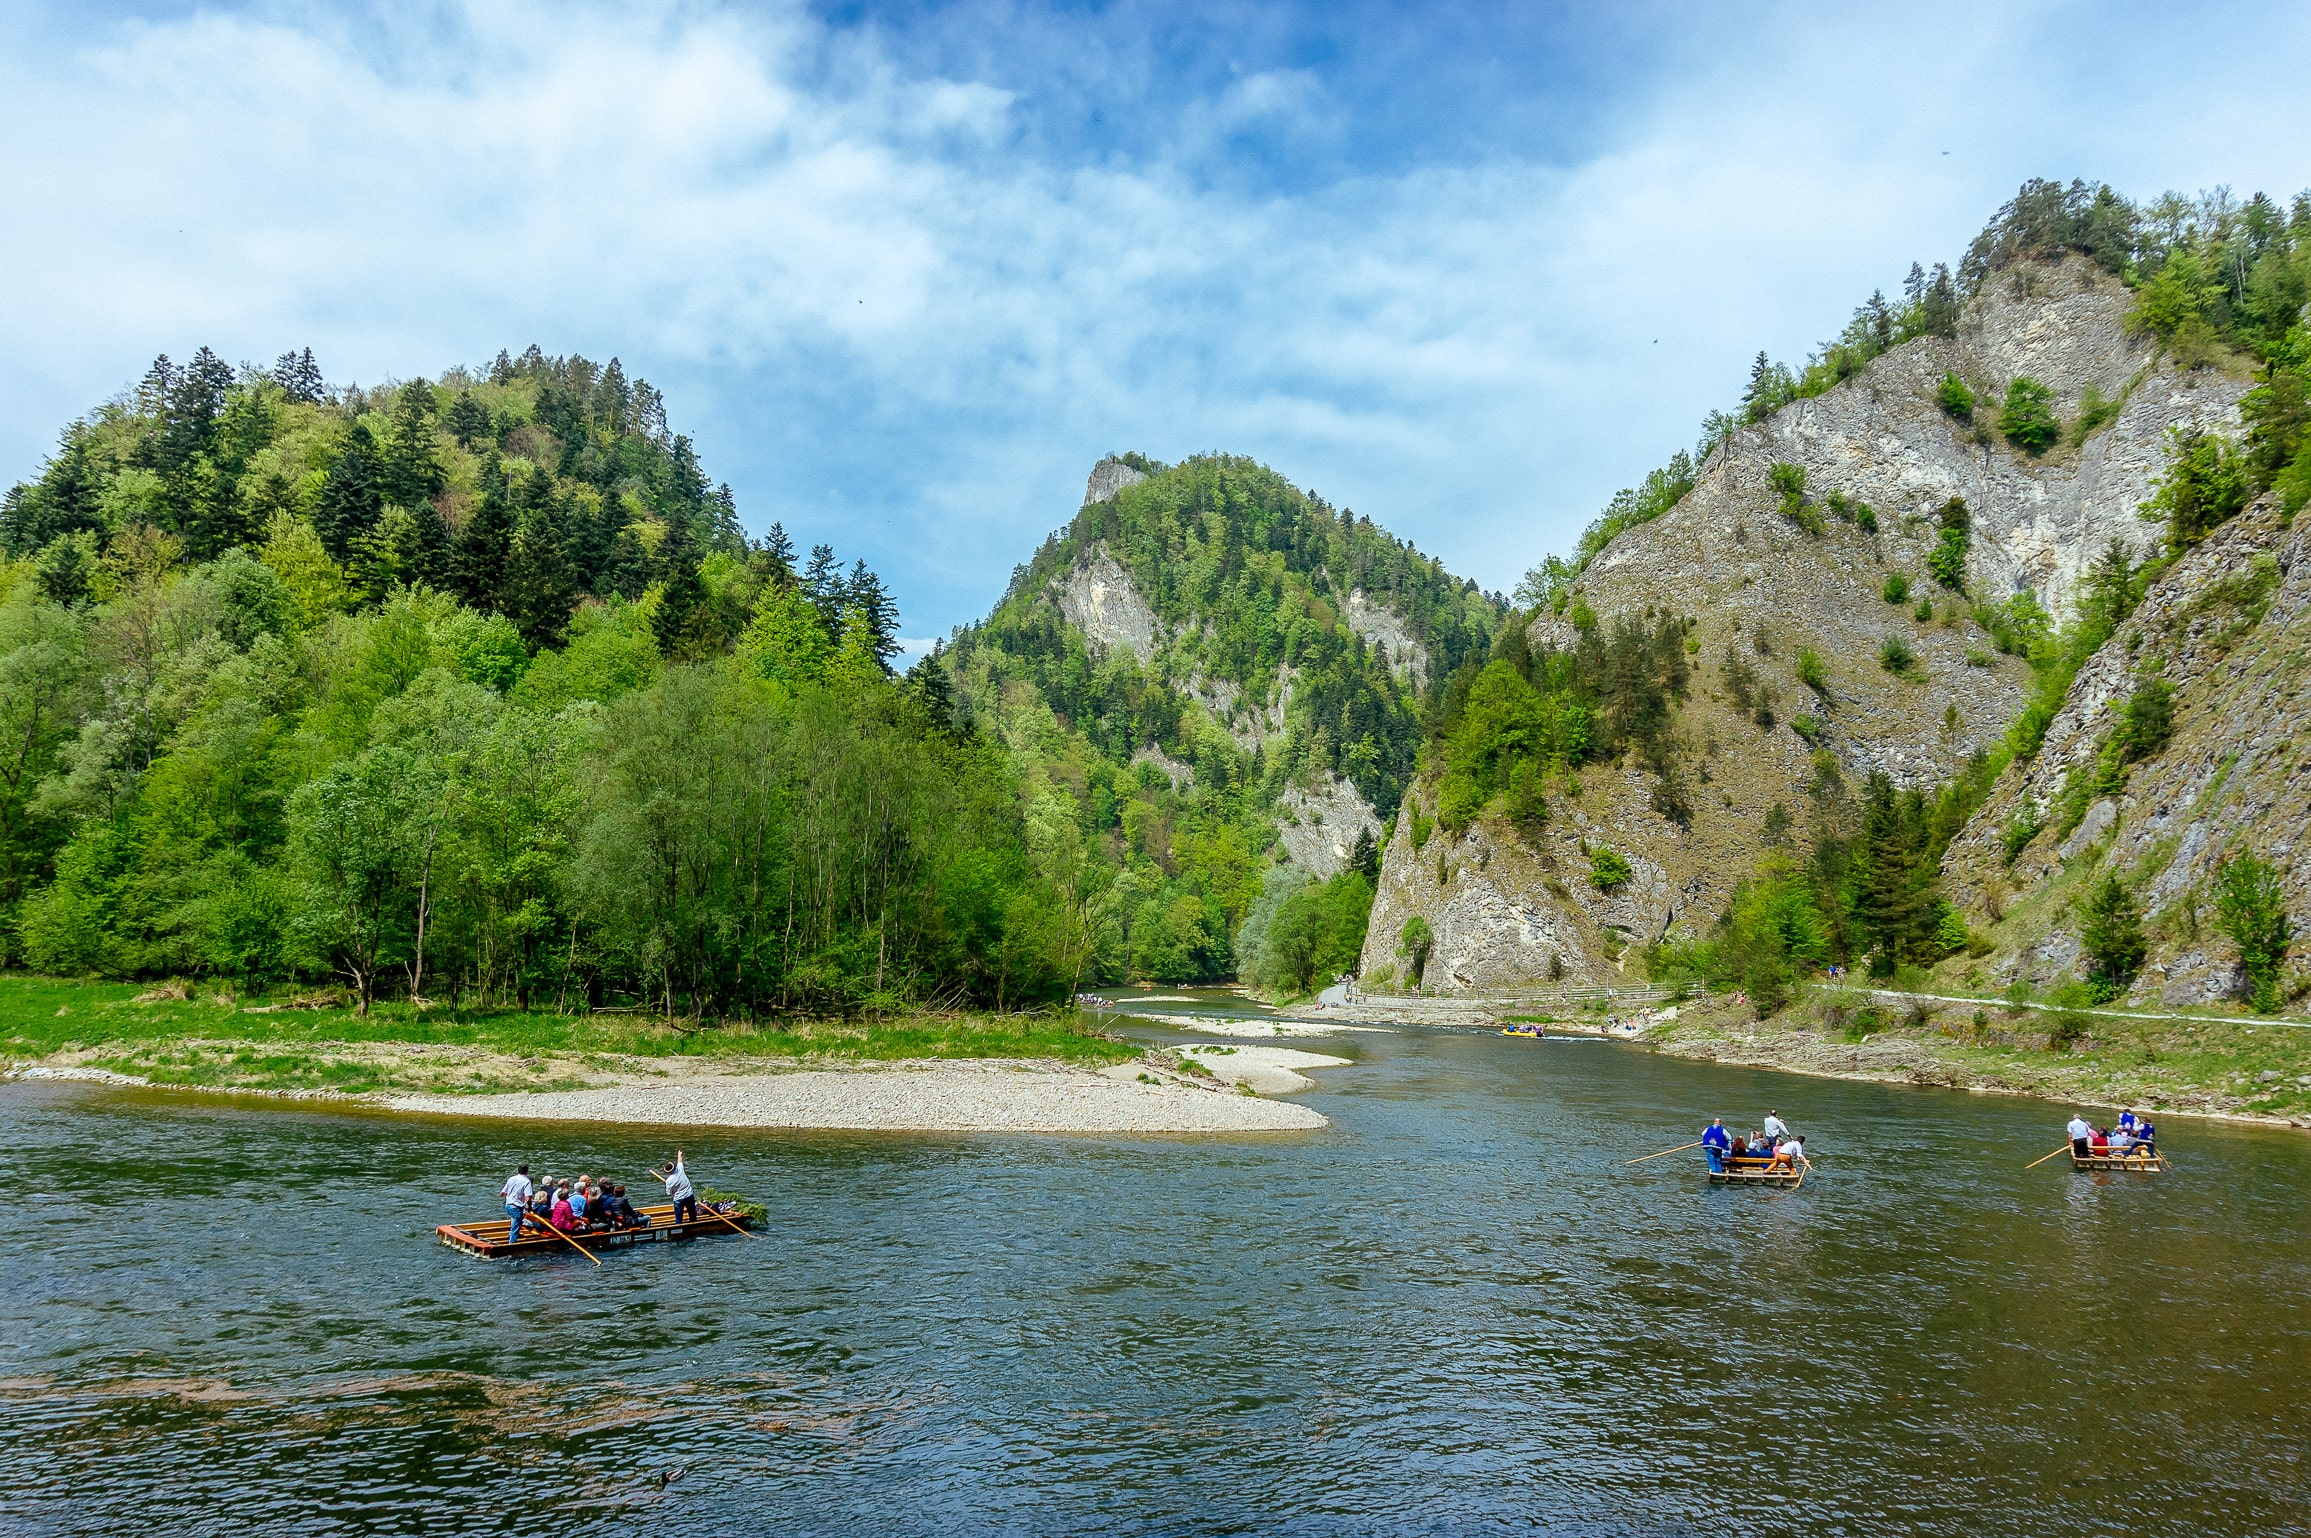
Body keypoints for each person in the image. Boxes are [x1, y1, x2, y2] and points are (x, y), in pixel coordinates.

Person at [501, 1163, 534, 1244]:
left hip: (507, 1205)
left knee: (515, 1220)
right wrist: (529, 1208)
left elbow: (502, 1193)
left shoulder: (511, 1179)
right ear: (527, 1171)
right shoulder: (527, 1182)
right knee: (516, 1226)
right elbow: (528, 1198)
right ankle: (511, 1243)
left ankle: (513, 1234)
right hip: (516, 1207)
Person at [661, 1152, 697, 1225]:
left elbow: (669, 1193)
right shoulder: (680, 1169)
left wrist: (668, 1184)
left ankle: (678, 1228)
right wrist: (679, 1155)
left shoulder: (669, 1181)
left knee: (678, 1218)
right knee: (692, 1214)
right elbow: (680, 1161)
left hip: (678, 1199)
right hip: (689, 1195)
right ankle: (693, 1224)